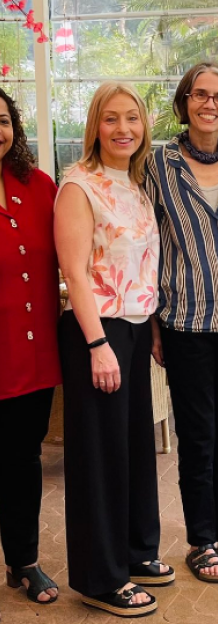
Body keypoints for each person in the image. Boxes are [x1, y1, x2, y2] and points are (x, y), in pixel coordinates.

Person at [55, 82, 174, 617]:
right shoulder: (78, 186)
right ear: (94, 127)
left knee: (131, 447)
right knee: (98, 459)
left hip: (130, 329)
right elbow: (76, 274)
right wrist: (98, 344)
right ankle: (101, 578)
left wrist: (146, 327)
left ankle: (134, 551)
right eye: (111, 118)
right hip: (95, 331)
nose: (123, 128)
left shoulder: (136, 184)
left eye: (133, 117)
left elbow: (138, 266)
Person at [145, 62, 218, 583]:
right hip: (185, 318)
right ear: (184, 102)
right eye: (198, 94)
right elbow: (144, 245)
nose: (209, 104)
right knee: (199, 437)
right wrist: (151, 323)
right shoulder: (156, 164)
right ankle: (201, 539)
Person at [0, 88, 60, 607]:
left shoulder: (39, 186)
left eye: (1, 121)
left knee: (22, 460)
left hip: (33, 358)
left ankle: (24, 562)